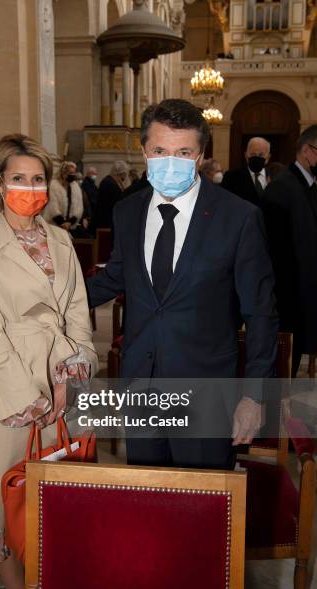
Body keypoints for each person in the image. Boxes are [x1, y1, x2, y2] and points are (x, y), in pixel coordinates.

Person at [87, 99, 278, 470]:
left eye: (183, 152)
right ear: (144, 151)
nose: (170, 162)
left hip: (205, 392)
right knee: (150, 504)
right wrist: (49, 296)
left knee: (201, 509)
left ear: (201, 155)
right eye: (160, 150)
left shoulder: (238, 218)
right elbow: (115, 276)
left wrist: (254, 397)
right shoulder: (127, 211)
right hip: (141, 385)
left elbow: (261, 314)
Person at [0, 134, 98, 589]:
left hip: (63, 378)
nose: (30, 187)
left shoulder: (60, 239)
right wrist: (31, 397)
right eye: (19, 178)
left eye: (37, 179)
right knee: (6, 498)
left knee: (56, 493)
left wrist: (71, 375)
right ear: (0, 183)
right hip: (7, 386)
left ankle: (54, 588)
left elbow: (79, 312)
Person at [262, 125, 317, 377]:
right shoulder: (282, 188)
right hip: (287, 297)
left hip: (304, 291)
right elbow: (274, 251)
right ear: (308, 150)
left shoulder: (308, 184)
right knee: (283, 364)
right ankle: (275, 413)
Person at [221, 137, 271, 206]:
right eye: (253, 154)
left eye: (261, 155)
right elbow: (225, 202)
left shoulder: (275, 177)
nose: (257, 157)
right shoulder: (231, 177)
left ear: (268, 157)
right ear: (246, 155)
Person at [42, 161, 84, 233]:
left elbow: (79, 207)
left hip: (70, 226)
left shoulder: (75, 186)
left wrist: (70, 222)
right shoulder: (54, 185)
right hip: (54, 224)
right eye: (70, 173)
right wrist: (62, 223)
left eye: (74, 173)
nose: (73, 175)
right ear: (64, 173)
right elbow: (53, 207)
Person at [95, 160, 128, 229]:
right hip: (108, 223)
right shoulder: (112, 185)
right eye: (125, 174)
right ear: (121, 173)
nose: (125, 176)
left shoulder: (107, 181)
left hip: (104, 221)